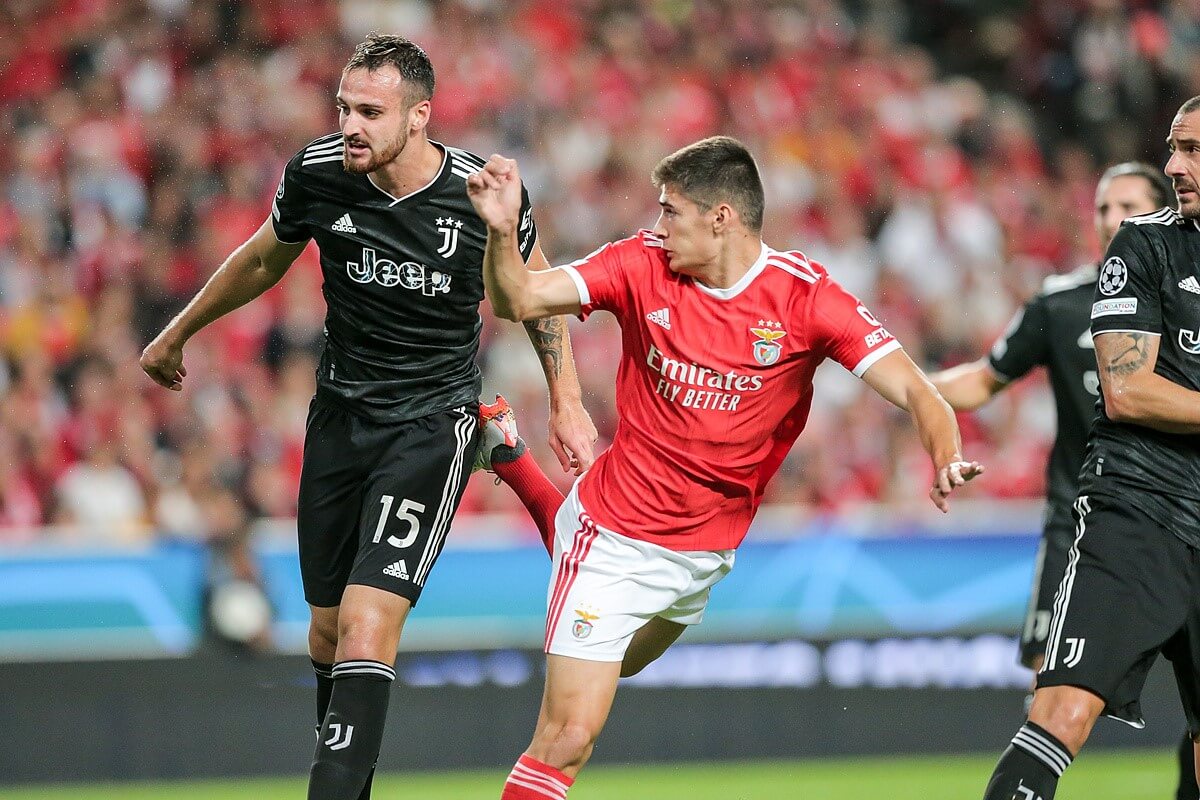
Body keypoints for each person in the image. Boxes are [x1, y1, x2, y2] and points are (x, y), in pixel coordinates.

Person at [139, 34, 596, 800]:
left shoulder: (477, 194)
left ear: (419, 117)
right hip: (340, 416)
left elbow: (538, 289)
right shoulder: (319, 174)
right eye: (344, 107)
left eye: (370, 112)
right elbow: (261, 256)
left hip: (435, 420)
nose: (350, 124)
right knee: (325, 634)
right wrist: (179, 331)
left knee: (365, 623)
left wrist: (569, 400)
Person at [466, 135, 983, 798]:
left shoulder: (805, 300)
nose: (658, 227)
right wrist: (503, 233)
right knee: (568, 736)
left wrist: (947, 456)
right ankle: (516, 464)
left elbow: (918, 390)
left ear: (721, 219)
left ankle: (507, 455)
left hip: (705, 552)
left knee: (616, 665)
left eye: (671, 213)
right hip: (614, 536)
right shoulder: (638, 263)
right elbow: (520, 299)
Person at [979, 95, 1200, 800]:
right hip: (1137, 511)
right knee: (1062, 712)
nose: (1175, 166)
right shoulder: (1143, 244)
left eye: (1193, 150)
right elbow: (1129, 389)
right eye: (1174, 147)